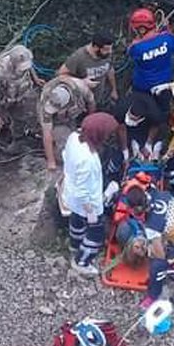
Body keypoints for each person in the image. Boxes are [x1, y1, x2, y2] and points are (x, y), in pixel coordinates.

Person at [61, 112, 120, 275]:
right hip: (86, 200)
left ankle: (75, 246)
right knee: (96, 232)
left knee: (77, 220)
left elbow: (65, 156)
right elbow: (82, 193)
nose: (108, 137)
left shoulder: (74, 137)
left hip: (70, 192)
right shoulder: (87, 159)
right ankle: (82, 260)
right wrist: (91, 212)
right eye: (107, 134)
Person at [0, 45, 43, 159]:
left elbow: (29, 68)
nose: (25, 68)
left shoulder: (25, 61)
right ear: (13, 63)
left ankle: (17, 143)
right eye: (22, 67)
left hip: (19, 96)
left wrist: (35, 78)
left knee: (20, 119)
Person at [38, 75, 96, 172]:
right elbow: (46, 133)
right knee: (65, 151)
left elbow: (91, 103)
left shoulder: (80, 88)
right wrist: (51, 161)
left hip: (73, 114)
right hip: (57, 121)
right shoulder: (46, 101)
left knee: (78, 140)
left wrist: (90, 123)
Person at [126, 8, 174, 113]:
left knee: (140, 114)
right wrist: (166, 29)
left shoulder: (136, 48)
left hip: (143, 89)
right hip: (164, 86)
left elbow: (130, 52)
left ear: (141, 29)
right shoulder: (167, 39)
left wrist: (138, 41)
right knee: (163, 113)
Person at [59, 32, 118, 108]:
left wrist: (114, 89)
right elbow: (61, 75)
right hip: (80, 101)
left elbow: (110, 70)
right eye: (106, 49)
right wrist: (81, 82)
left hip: (98, 97)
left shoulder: (106, 54)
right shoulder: (78, 57)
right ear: (96, 47)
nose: (110, 52)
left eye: (111, 48)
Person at [110, 90, 167, 162]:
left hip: (148, 105)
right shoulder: (120, 109)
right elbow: (121, 129)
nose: (131, 119)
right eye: (130, 117)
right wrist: (125, 151)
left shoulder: (154, 113)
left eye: (134, 119)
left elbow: (155, 126)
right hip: (133, 98)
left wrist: (148, 143)